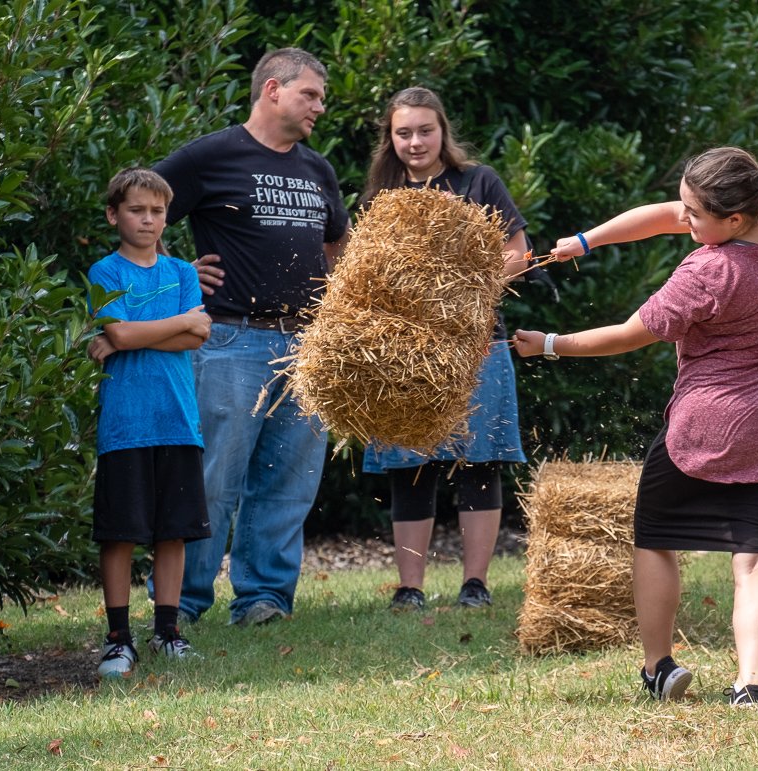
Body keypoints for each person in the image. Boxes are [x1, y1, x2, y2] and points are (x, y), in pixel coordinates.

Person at [514, 147, 758, 705]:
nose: (683, 219)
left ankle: (658, 668)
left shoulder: (709, 271)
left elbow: (628, 333)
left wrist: (548, 345)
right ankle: (749, 687)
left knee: (655, 540)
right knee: (757, 566)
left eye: (695, 214)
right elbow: (668, 214)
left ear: (731, 219)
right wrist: (587, 241)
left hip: (707, 431)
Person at [151, 48, 350, 627]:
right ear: (272, 89)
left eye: (320, 97)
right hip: (230, 341)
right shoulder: (209, 156)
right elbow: (136, 207)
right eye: (309, 94)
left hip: (308, 347)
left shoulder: (318, 170)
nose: (319, 106)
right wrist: (179, 273)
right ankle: (182, 602)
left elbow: (336, 248)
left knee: (288, 482)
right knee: (213, 477)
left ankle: (263, 598)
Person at [361, 87, 531, 611]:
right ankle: (410, 588)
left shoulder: (477, 182)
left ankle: (474, 585)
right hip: (403, 353)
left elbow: (518, 255)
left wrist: (460, 292)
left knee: (479, 462)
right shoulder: (380, 195)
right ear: (390, 139)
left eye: (425, 130)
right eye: (404, 132)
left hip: (477, 343)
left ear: (443, 132)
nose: (415, 141)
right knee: (408, 464)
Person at [86, 167, 212, 678]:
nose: (148, 219)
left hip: (178, 420)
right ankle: (119, 640)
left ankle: (168, 632)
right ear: (115, 214)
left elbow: (196, 336)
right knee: (119, 534)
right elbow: (117, 332)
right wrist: (177, 321)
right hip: (126, 424)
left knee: (172, 533)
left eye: (157, 211)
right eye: (137, 210)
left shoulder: (182, 272)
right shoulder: (105, 271)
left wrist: (135, 334)